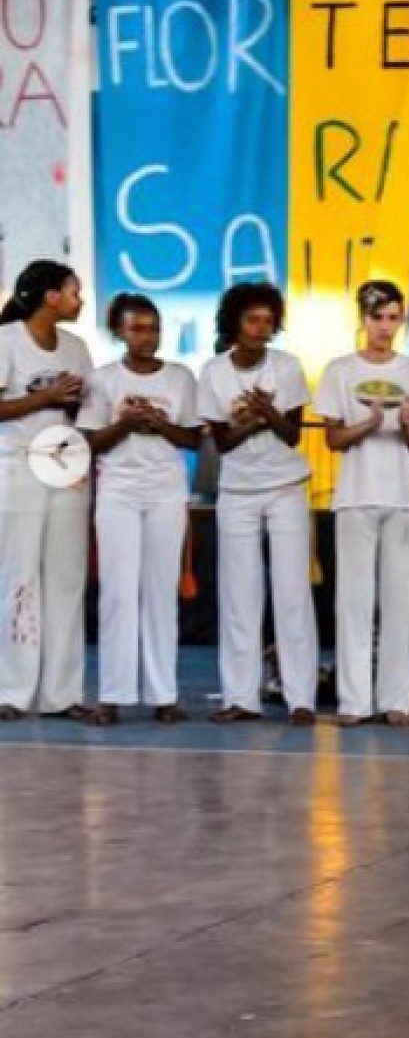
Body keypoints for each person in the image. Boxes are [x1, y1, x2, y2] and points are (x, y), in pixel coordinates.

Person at [198, 282, 319, 725]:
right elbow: (223, 443)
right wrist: (254, 419)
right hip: (236, 491)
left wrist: (265, 413)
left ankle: (300, 697)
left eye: (269, 321)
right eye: (253, 319)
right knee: (238, 595)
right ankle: (240, 697)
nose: (261, 328)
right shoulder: (213, 371)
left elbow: (291, 435)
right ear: (234, 323)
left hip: (286, 486)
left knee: (292, 593)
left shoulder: (287, 367)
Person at [78, 293, 201, 725]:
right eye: (137, 329)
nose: (147, 337)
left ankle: (163, 692)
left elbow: (192, 439)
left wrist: (157, 424)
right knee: (117, 591)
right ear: (119, 332)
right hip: (118, 492)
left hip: (166, 489)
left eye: (153, 328)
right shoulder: (103, 379)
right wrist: (124, 424)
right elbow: (89, 442)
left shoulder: (181, 378)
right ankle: (112, 693)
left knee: (159, 590)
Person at [317, 281, 409, 727]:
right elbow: (333, 439)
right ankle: (352, 700)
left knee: (401, 601)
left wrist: (405, 425)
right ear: (363, 320)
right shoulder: (340, 370)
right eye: (377, 317)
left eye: (392, 317)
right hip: (355, 497)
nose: (385, 326)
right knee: (354, 602)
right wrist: (366, 423)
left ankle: (397, 699)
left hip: (402, 498)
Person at [0, 260, 93, 721]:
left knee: (66, 580)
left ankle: (63, 692)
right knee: (20, 579)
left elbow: (82, 411)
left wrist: (73, 405)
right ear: (50, 297)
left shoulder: (76, 348)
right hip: (17, 467)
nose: (81, 301)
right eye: (75, 292)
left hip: (66, 468)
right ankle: (13, 691)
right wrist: (46, 397)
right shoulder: (7, 341)